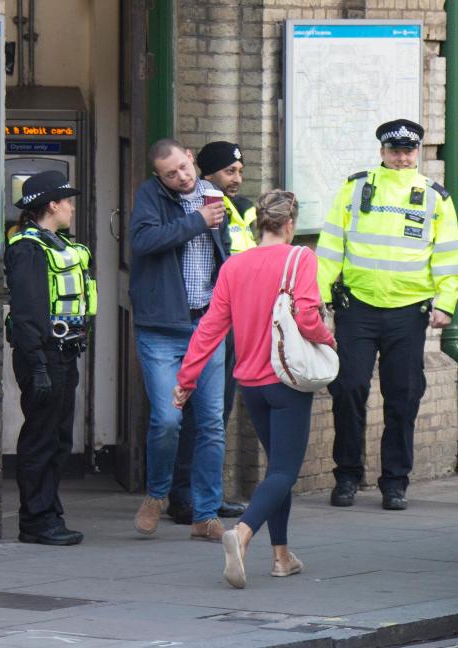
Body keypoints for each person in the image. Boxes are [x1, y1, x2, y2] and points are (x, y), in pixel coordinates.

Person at [174, 190, 335, 589]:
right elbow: (309, 315)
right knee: (283, 470)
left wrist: (186, 379)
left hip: (251, 384)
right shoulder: (301, 258)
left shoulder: (234, 266)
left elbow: (211, 328)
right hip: (286, 381)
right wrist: (327, 341)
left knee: (276, 469)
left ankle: (282, 557)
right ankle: (242, 535)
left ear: (260, 222)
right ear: (290, 224)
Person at [316, 119, 458, 511]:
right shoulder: (356, 188)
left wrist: (446, 302)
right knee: (348, 388)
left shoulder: (434, 197)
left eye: (408, 151)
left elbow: (448, 254)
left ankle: (395, 482)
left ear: (417, 153)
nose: (401, 158)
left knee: (403, 397)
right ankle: (347, 475)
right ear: (382, 151)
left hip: (407, 313)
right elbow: (331, 245)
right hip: (357, 308)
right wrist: (316, 296)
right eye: (394, 151)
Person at [129, 138, 231, 542]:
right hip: (161, 329)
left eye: (183, 168)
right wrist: (197, 221)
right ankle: (156, 495)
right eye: (170, 174)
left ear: (191, 158)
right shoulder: (149, 197)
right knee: (167, 419)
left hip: (207, 326)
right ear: (159, 176)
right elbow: (143, 242)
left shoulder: (214, 195)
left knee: (211, 424)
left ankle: (205, 515)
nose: (181, 177)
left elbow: (227, 250)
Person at [163, 141, 255, 526]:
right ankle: (182, 496)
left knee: (217, 414)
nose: (237, 179)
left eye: (239, 171)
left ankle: (208, 497)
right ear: (208, 172)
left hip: (236, 322)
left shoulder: (242, 208)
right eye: (230, 172)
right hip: (206, 321)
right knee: (193, 414)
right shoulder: (198, 206)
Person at [4, 170, 96, 546]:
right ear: (52, 205)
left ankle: (49, 512)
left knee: (58, 438)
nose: (72, 208)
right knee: (41, 438)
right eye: (68, 202)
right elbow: (27, 314)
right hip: (43, 357)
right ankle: (36, 520)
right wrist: (38, 365)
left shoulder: (56, 244)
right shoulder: (27, 249)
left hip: (63, 353)